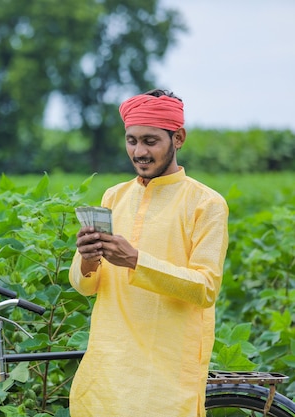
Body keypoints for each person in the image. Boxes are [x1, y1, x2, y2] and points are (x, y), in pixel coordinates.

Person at [68, 89, 229, 417]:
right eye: (131, 140)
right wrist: (86, 258)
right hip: (107, 367)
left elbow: (205, 288)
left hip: (164, 376)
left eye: (150, 141)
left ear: (178, 138)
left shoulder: (206, 204)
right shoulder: (114, 196)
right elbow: (84, 286)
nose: (138, 152)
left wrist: (135, 260)